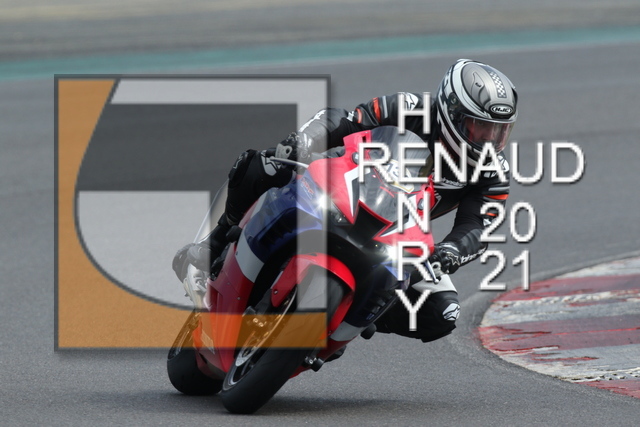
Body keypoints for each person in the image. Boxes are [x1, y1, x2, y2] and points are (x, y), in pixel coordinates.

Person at [172, 58, 518, 343]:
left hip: (400, 233)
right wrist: (304, 141)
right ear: (452, 113)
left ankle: (349, 315)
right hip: (345, 189)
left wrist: (452, 250)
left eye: (499, 131)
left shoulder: (494, 171)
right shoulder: (410, 108)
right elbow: (345, 120)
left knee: (443, 312)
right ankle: (212, 247)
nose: (490, 140)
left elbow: (478, 226)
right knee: (264, 165)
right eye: (480, 127)